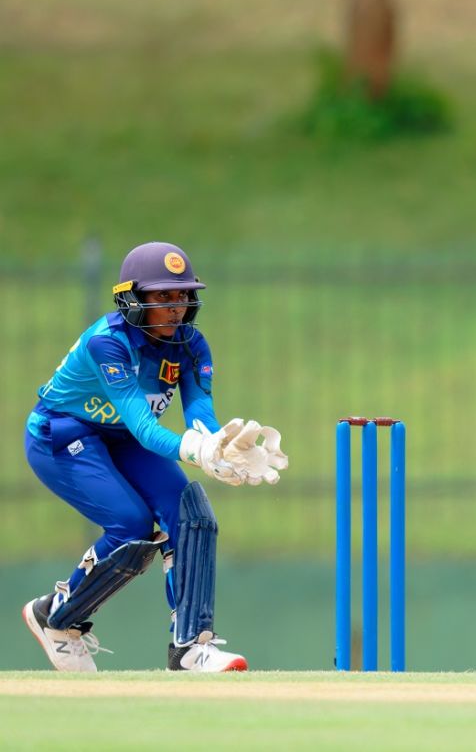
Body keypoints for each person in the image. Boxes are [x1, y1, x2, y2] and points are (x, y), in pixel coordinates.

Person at [20, 241, 289, 672]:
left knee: (190, 514)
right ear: (133, 298)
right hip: (64, 434)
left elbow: (199, 410)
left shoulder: (192, 345)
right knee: (130, 526)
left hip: (124, 438)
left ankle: (190, 648)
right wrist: (194, 450)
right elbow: (144, 425)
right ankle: (57, 619)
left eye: (182, 295)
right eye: (163, 296)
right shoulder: (108, 344)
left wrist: (219, 445)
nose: (176, 306)